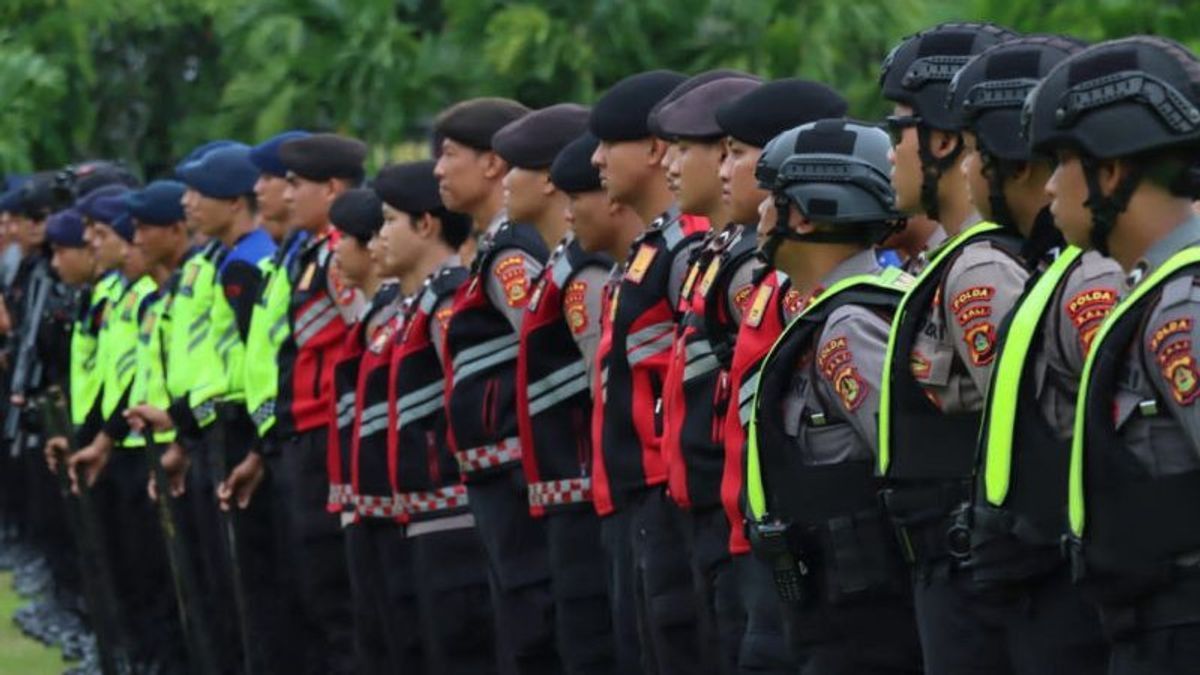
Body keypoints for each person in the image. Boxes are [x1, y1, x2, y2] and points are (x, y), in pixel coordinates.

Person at [1025, 36, 1200, 674]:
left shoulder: (1184, 306)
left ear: (1112, 168)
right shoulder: (1153, 292)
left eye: (1060, 161)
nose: (1046, 187)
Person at [946, 36, 1116, 673]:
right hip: (1032, 583)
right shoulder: (1050, 269)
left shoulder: (1092, 279)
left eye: (971, 151)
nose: (964, 170)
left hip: (1071, 593)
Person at [874, 23, 1033, 675]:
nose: (887, 153)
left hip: (973, 575)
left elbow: (1023, 427)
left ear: (942, 140)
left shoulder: (978, 271)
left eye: (897, 130)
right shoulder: (950, 261)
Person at [745, 119, 923, 674]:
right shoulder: (831, 310)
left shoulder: (848, 327)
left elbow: (911, 465)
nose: (758, 214)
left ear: (802, 213)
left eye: (770, 198)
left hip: (864, 621)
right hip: (836, 607)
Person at [711, 78, 850, 674]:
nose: (725, 169)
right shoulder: (773, 282)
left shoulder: (809, 292)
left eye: (738, 154)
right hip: (750, 533)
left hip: (798, 544)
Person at [434, 96, 567, 675]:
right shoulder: (494, 245)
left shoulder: (514, 250)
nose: (438, 169)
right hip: (499, 469)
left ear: (493, 164)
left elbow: (543, 341)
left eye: (449, 154)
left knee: (533, 622)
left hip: (516, 468)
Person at [588, 69, 713, 675]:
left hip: (666, 498)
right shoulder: (650, 249)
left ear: (655, 149)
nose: (596, 159)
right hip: (633, 501)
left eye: (608, 143)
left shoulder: (686, 249)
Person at [494, 104, 620, 675]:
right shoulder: (559, 266)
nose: (503, 180)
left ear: (549, 179)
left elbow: (605, 387)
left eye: (513, 167)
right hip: (561, 497)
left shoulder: (582, 272)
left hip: (584, 495)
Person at [654, 73, 763, 675]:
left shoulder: (748, 261)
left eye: (684, 148)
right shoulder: (714, 254)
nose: (670, 164)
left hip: (736, 518)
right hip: (697, 506)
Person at [375, 160, 497, 674]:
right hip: (424, 514)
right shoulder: (418, 303)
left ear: (425, 225)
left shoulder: (448, 299)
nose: (378, 235)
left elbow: (463, 402)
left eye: (388, 221)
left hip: (453, 515)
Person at [272, 132, 366, 674]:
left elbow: (364, 336)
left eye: (295, 185)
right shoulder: (312, 252)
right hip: (306, 435)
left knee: (335, 595)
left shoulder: (338, 255)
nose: (286, 196)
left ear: (331, 188)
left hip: (330, 436)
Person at [324, 187, 416, 674]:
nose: (333, 251)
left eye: (342, 239)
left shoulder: (397, 311)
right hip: (365, 502)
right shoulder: (377, 313)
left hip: (396, 508)